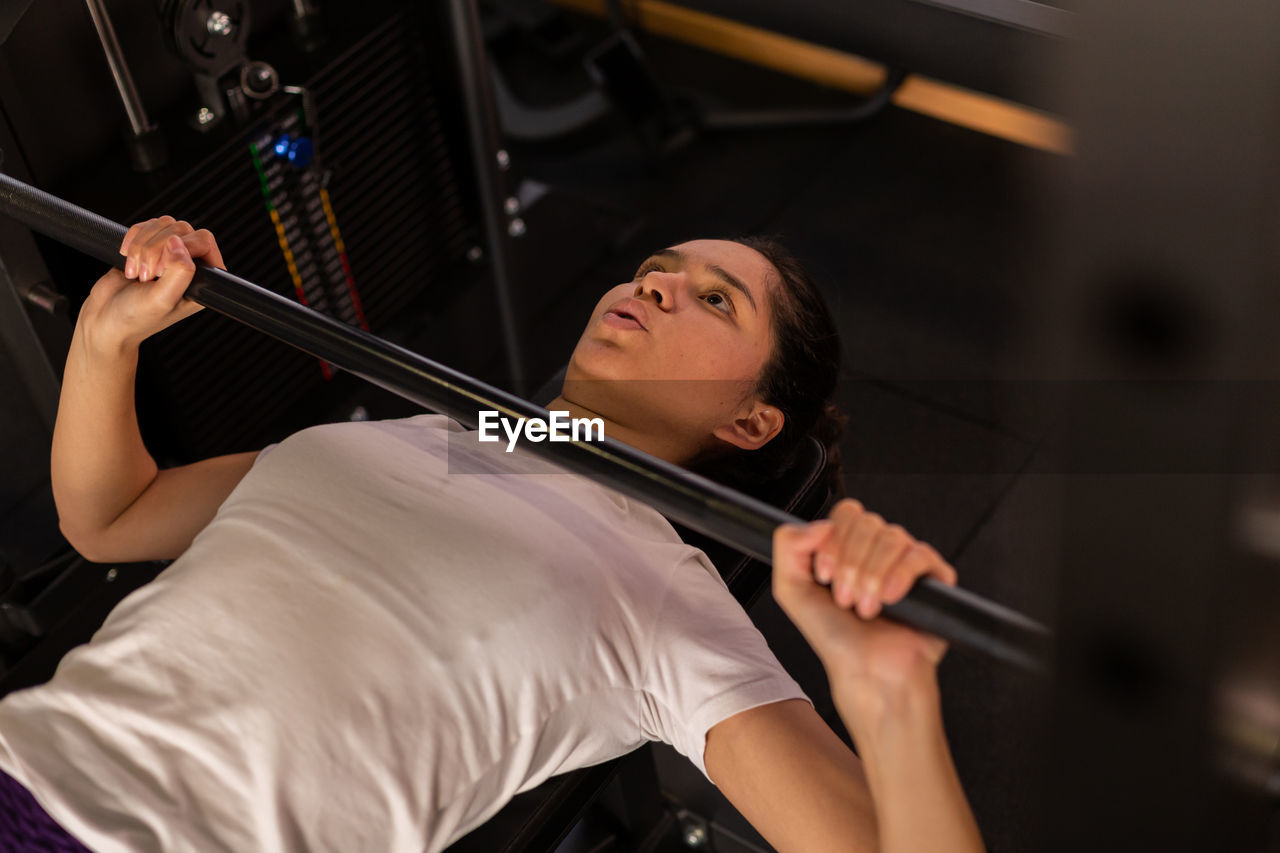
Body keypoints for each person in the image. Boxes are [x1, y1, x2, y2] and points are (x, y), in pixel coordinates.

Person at [0, 217, 983, 852]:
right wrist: (105, 338)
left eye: (712, 300)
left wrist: (887, 693)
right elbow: (111, 519)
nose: (654, 287)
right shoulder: (428, 435)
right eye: (655, 269)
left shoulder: (665, 594)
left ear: (748, 419)